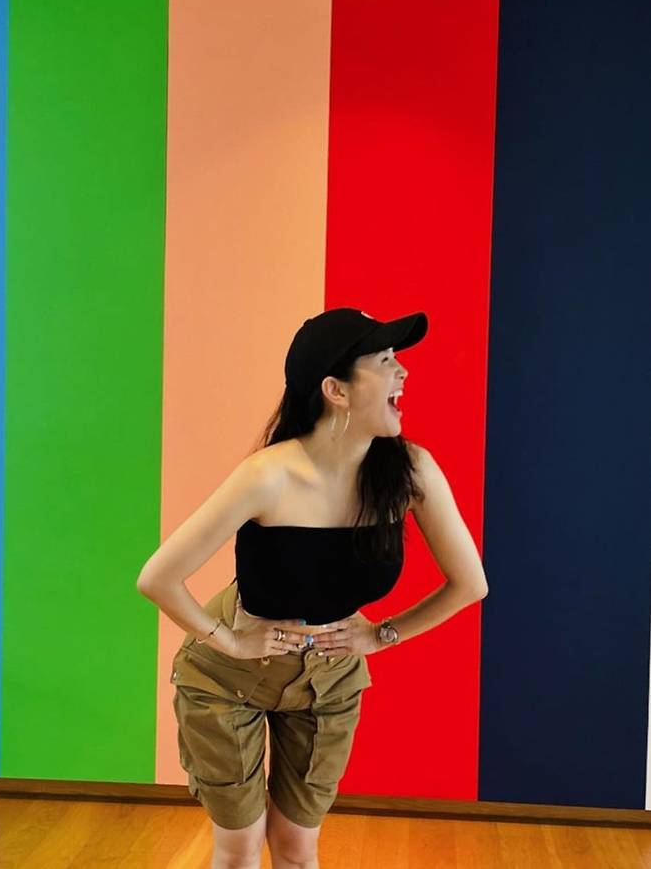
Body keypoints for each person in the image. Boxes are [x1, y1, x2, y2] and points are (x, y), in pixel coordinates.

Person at [137, 306, 489, 869]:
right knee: (239, 849)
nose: (403, 371)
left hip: (330, 680)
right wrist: (230, 641)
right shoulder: (268, 475)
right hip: (227, 681)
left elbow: (470, 584)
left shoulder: (410, 472)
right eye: (384, 360)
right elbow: (158, 578)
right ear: (336, 390)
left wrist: (382, 635)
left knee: (297, 849)